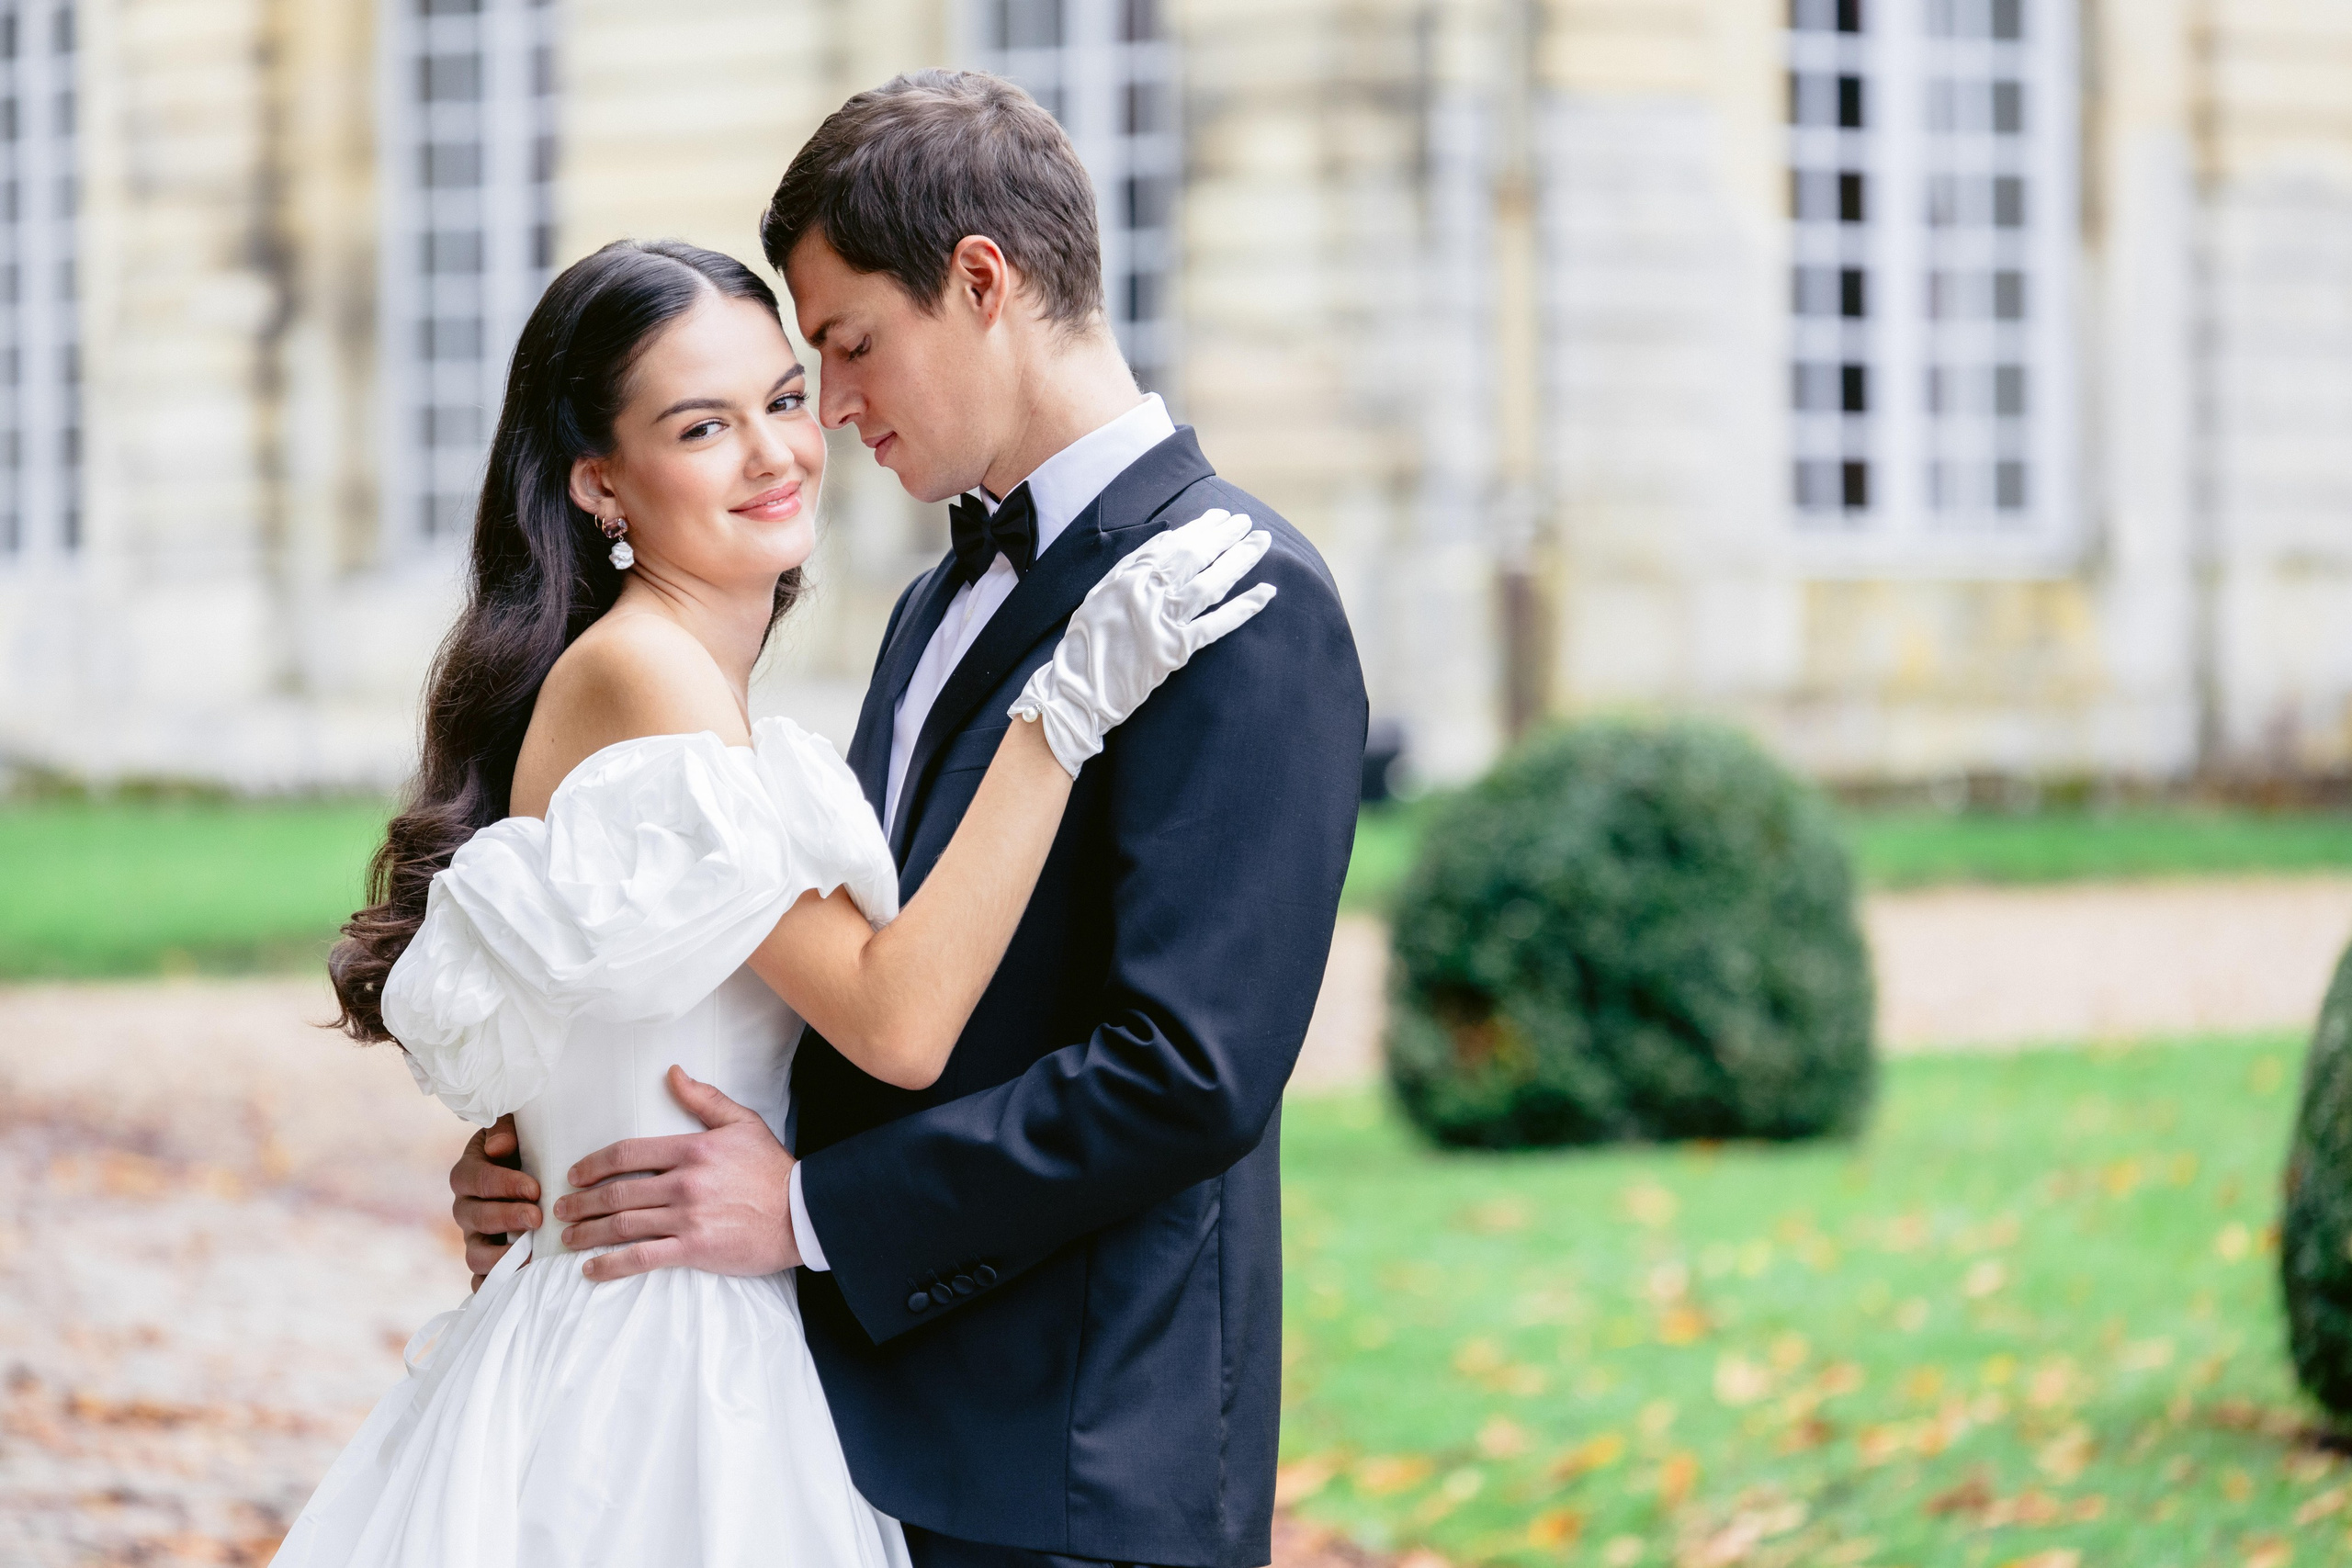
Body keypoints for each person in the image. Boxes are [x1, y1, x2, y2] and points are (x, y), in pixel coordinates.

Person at [453, 72, 1369, 1568]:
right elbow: (826, 965)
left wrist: (816, 1213)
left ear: (985, 281)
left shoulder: (1235, 597)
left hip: (1078, 1462)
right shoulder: (934, 604)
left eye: (845, 351)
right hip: (853, 1428)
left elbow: (1186, 1073)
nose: (835, 413)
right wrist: (573, 1133)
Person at [271, 237, 1275, 1567]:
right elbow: (897, 1021)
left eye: (786, 398)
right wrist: (1062, 715)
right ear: (598, 482)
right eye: (702, 426)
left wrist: (540, 1160)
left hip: (705, 1326)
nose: (776, 453)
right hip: (667, 1371)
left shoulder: (694, 682)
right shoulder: (647, 679)